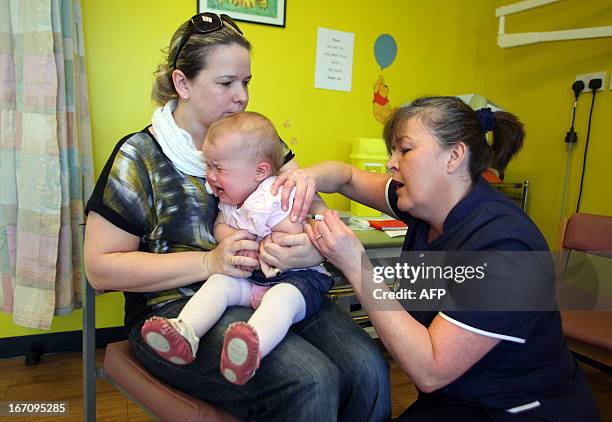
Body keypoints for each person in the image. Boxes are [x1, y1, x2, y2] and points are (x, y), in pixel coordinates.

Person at [84, 12, 390, 421]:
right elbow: (100, 270)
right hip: (177, 306)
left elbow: (306, 206)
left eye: (245, 82)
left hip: (273, 284)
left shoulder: (254, 140)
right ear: (182, 83)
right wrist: (209, 261)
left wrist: (307, 250)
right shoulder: (138, 157)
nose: (241, 96)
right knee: (310, 378)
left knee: (368, 366)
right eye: (226, 83)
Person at [273, 96, 600, 421]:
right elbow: (346, 177)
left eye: (405, 149)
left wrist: (356, 266)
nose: (391, 162)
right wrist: (305, 179)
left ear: (454, 155)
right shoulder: (424, 207)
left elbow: (431, 369)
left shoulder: (505, 248)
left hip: (515, 410)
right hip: (452, 400)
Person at [141, 111, 335, 386]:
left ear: (260, 172)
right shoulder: (229, 200)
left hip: (296, 279)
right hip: (250, 278)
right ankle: (185, 333)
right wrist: (235, 237)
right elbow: (220, 226)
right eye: (208, 166)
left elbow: (292, 230)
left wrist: (270, 242)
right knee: (219, 282)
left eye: (218, 169)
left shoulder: (273, 194)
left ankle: (250, 348)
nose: (209, 176)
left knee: (281, 300)